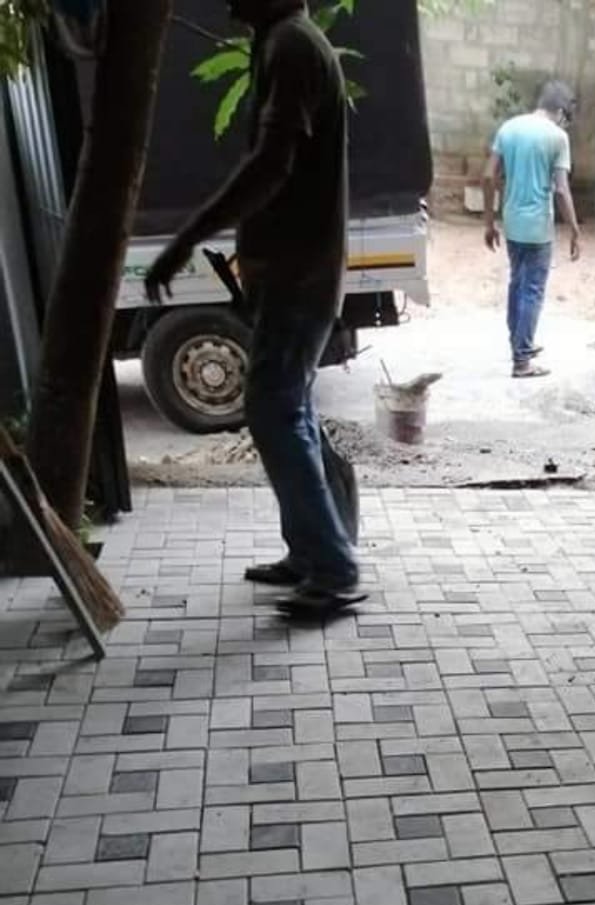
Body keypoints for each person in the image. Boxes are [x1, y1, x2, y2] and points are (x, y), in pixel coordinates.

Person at [145, 0, 362, 617]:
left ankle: (333, 567)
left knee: (273, 410)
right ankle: (318, 553)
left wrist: (187, 237)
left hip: (300, 275)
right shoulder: (285, 41)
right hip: (295, 273)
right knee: (290, 411)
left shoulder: (291, 45)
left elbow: (271, 163)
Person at [483, 81, 581, 380]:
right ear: (561, 111)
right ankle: (522, 359)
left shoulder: (509, 128)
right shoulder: (558, 138)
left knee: (517, 282)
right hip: (538, 226)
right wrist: (575, 229)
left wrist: (489, 222)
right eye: (566, 116)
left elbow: (488, 176)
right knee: (533, 290)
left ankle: (519, 343)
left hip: (512, 222)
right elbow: (561, 190)